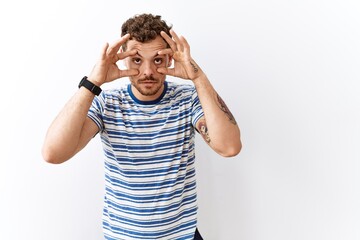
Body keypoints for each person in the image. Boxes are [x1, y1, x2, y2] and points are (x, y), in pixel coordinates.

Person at [42, 13, 241, 240]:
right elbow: (53, 153)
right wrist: (93, 82)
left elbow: (230, 147)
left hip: (181, 236)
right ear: (125, 59)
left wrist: (197, 76)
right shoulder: (107, 102)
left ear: (169, 59)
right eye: (137, 60)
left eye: (157, 60)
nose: (147, 72)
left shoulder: (187, 99)